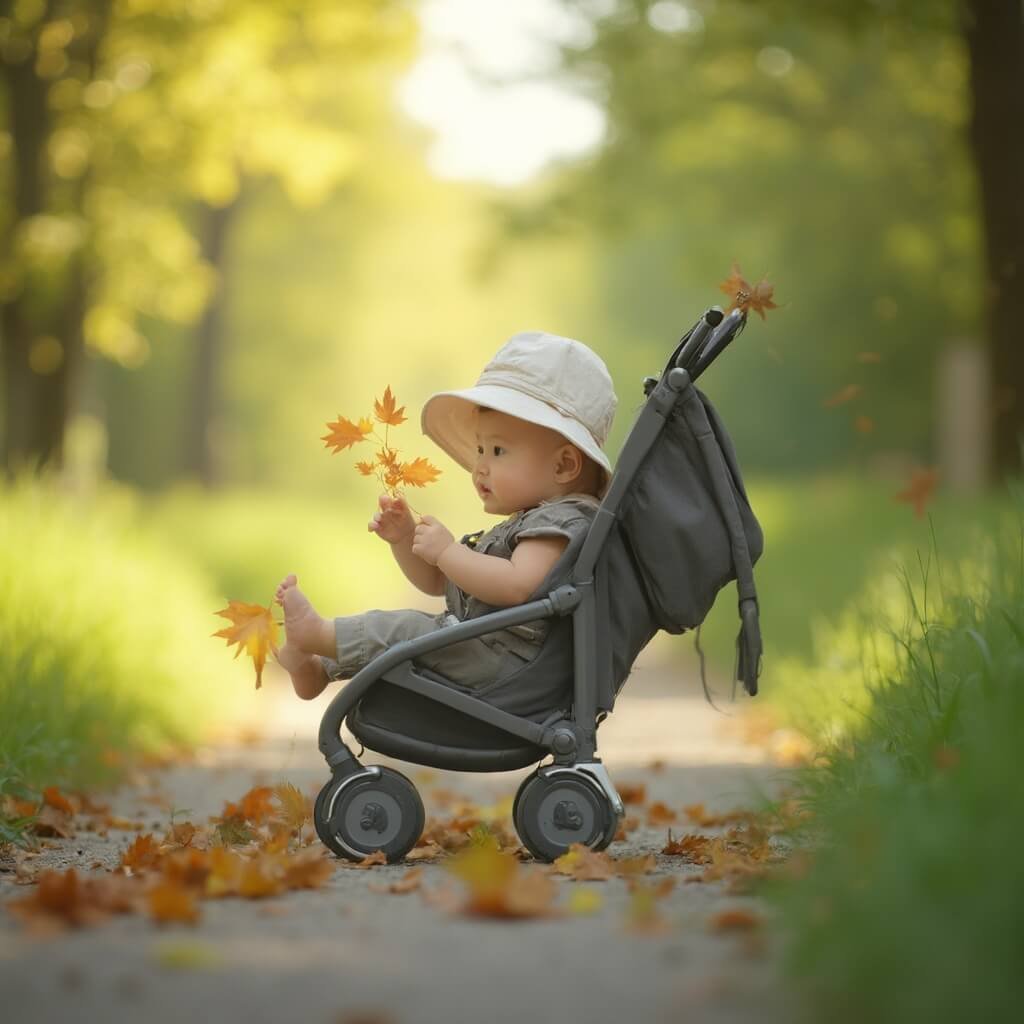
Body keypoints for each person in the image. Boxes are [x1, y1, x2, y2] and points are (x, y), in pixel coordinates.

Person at [274, 330, 618, 700]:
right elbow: (439, 582)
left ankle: (320, 636)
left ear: (564, 465)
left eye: (498, 451)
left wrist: (447, 552)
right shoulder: (533, 521)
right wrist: (406, 538)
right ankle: (318, 668)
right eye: (480, 449)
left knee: (408, 631)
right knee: (413, 631)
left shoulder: (562, 523)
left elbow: (517, 586)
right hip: (488, 653)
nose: (479, 466)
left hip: (507, 667)